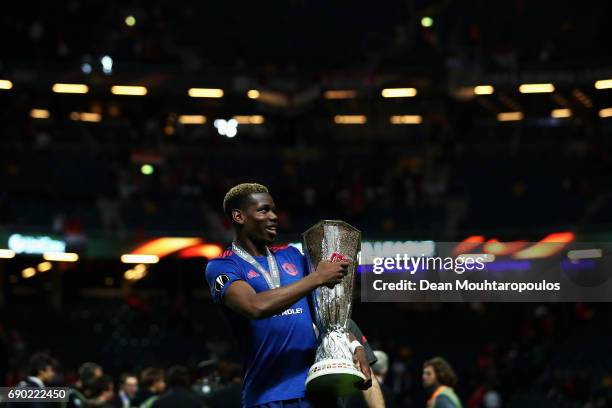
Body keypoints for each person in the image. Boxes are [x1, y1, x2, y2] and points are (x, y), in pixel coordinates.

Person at [204, 183, 372, 408]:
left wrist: (354, 346)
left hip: (317, 388)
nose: (274, 216)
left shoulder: (292, 256)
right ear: (239, 216)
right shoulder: (223, 266)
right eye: (264, 210)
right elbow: (254, 306)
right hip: (267, 395)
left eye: (274, 210)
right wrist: (316, 278)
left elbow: (324, 314)